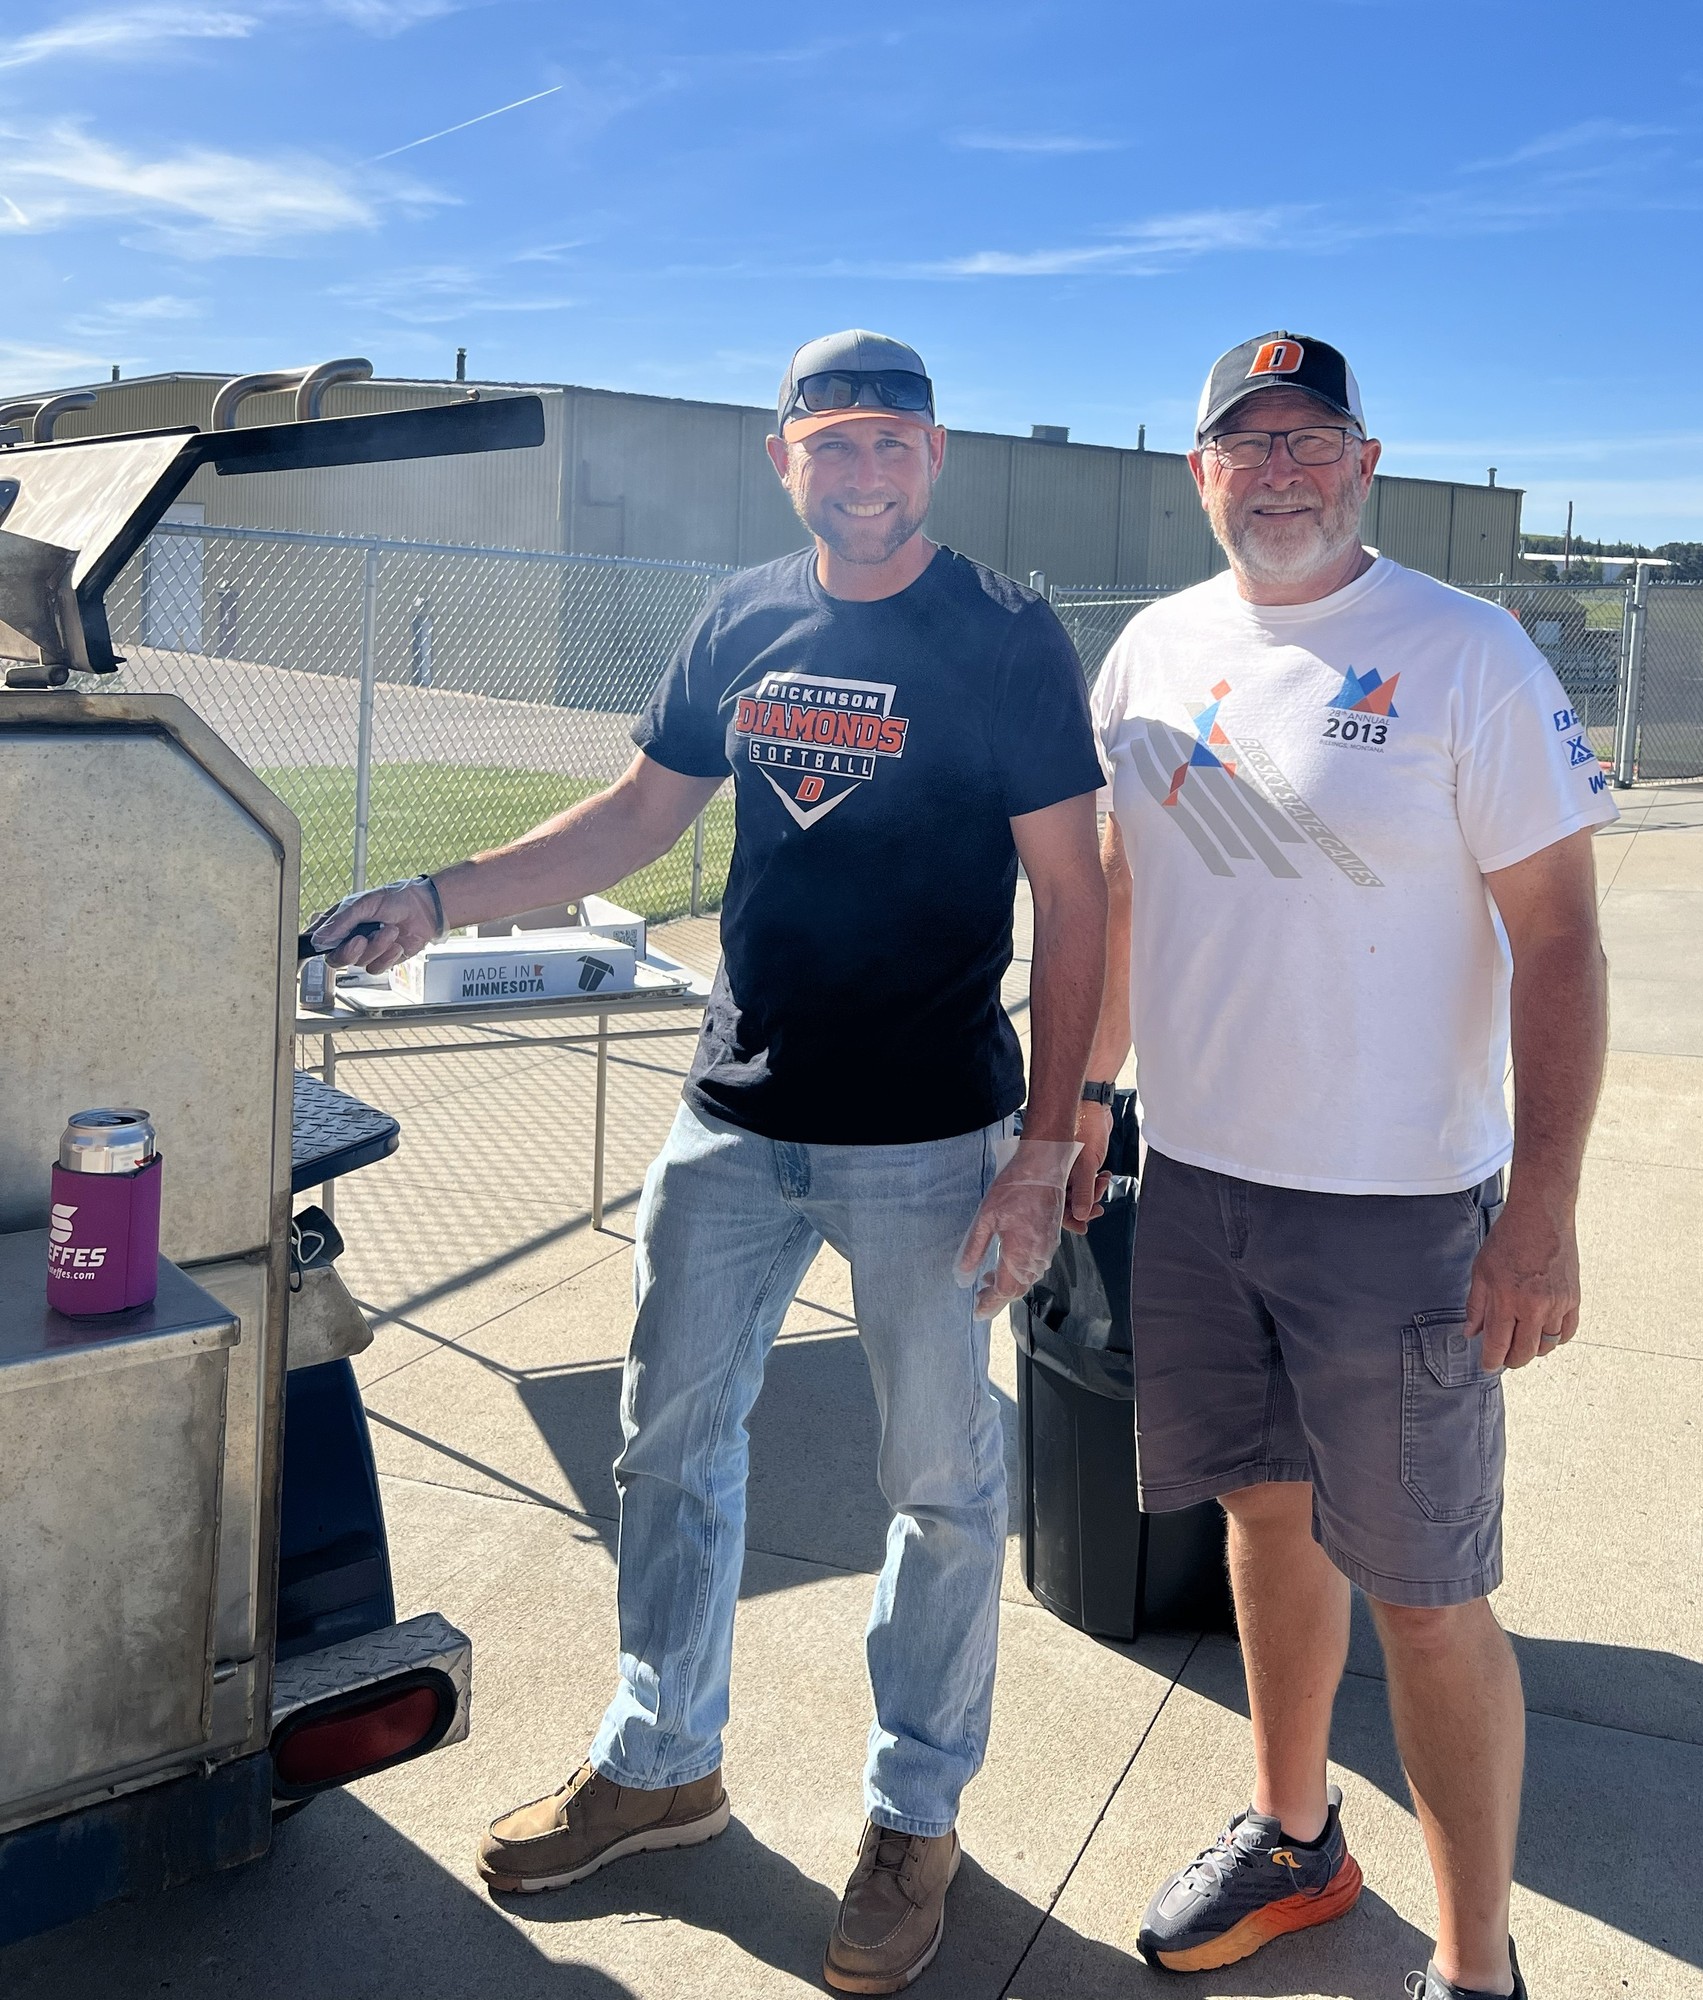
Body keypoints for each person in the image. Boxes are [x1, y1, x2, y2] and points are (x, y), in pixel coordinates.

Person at [314, 330, 1108, 1995]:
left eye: (893, 441)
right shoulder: (740, 617)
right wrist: (440, 899)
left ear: (934, 457)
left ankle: (914, 1819)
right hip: (733, 1124)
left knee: (941, 1490)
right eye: (835, 442)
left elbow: (1075, 890)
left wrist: (1049, 1146)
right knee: (667, 1453)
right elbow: (634, 818)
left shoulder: (1005, 633)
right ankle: (661, 1764)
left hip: (929, 1140)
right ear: (784, 459)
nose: (865, 471)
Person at [1071, 331, 1615, 2000]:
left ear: (1365, 463)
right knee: (1263, 1512)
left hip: (1399, 1211)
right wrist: (1081, 1102)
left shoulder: (1464, 652)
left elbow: (1562, 940)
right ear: (1200, 474)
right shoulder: (1153, 652)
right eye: (1248, 444)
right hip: (1200, 1189)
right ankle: (1296, 1835)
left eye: (1312, 439)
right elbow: (1128, 892)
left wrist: (1541, 1213)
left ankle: (1474, 1968)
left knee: (1429, 1594)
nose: (1281, 471)